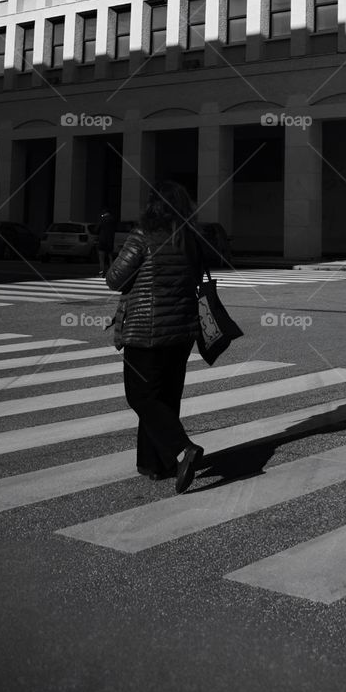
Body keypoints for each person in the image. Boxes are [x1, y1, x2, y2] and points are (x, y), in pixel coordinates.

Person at [106, 180, 206, 493]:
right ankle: (156, 464)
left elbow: (114, 279)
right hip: (182, 331)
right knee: (165, 396)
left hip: (146, 332)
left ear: (153, 207)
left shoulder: (142, 236)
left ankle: (182, 448)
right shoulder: (190, 238)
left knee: (141, 396)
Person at [97, 209, 116, 276]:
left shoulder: (102, 219)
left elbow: (97, 229)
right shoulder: (113, 220)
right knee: (110, 257)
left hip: (102, 241)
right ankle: (111, 273)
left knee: (101, 258)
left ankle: (101, 272)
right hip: (110, 241)